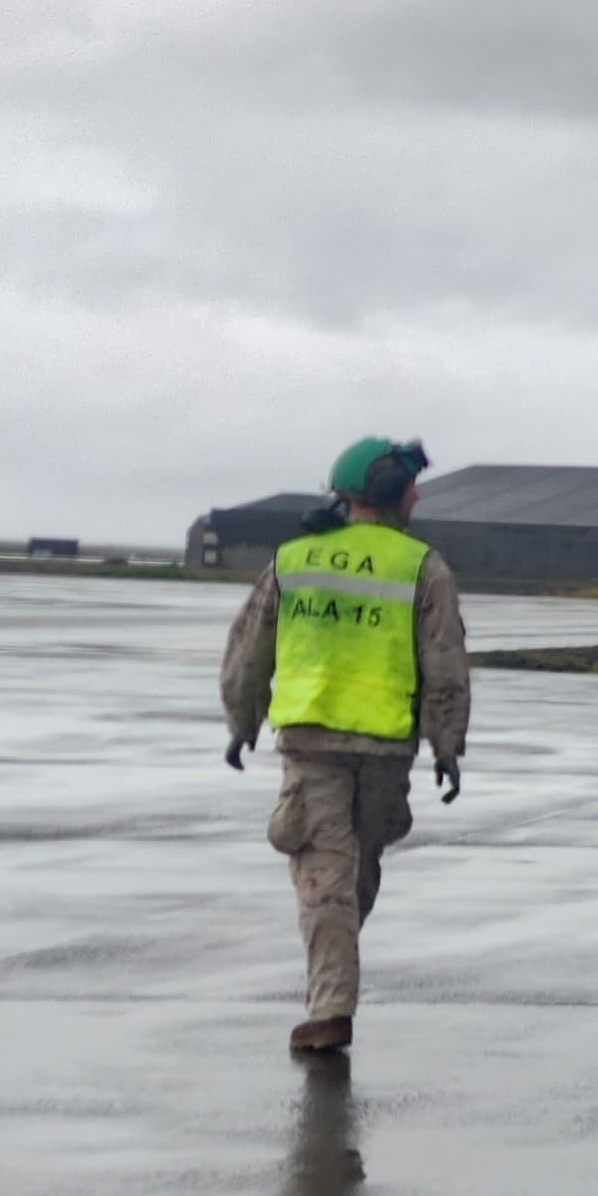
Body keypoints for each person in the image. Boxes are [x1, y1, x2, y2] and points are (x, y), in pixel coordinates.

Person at [220, 437, 470, 1062]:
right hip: (381, 745)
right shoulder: (423, 566)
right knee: (338, 875)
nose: (416, 495)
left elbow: (250, 647)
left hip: (316, 736)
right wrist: (447, 744)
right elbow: (445, 663)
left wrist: (241, 720)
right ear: (387, 489)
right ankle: (330, 1008)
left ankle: (331, 990)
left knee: (338, 880)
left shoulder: (295, 559)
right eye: (410, 484)